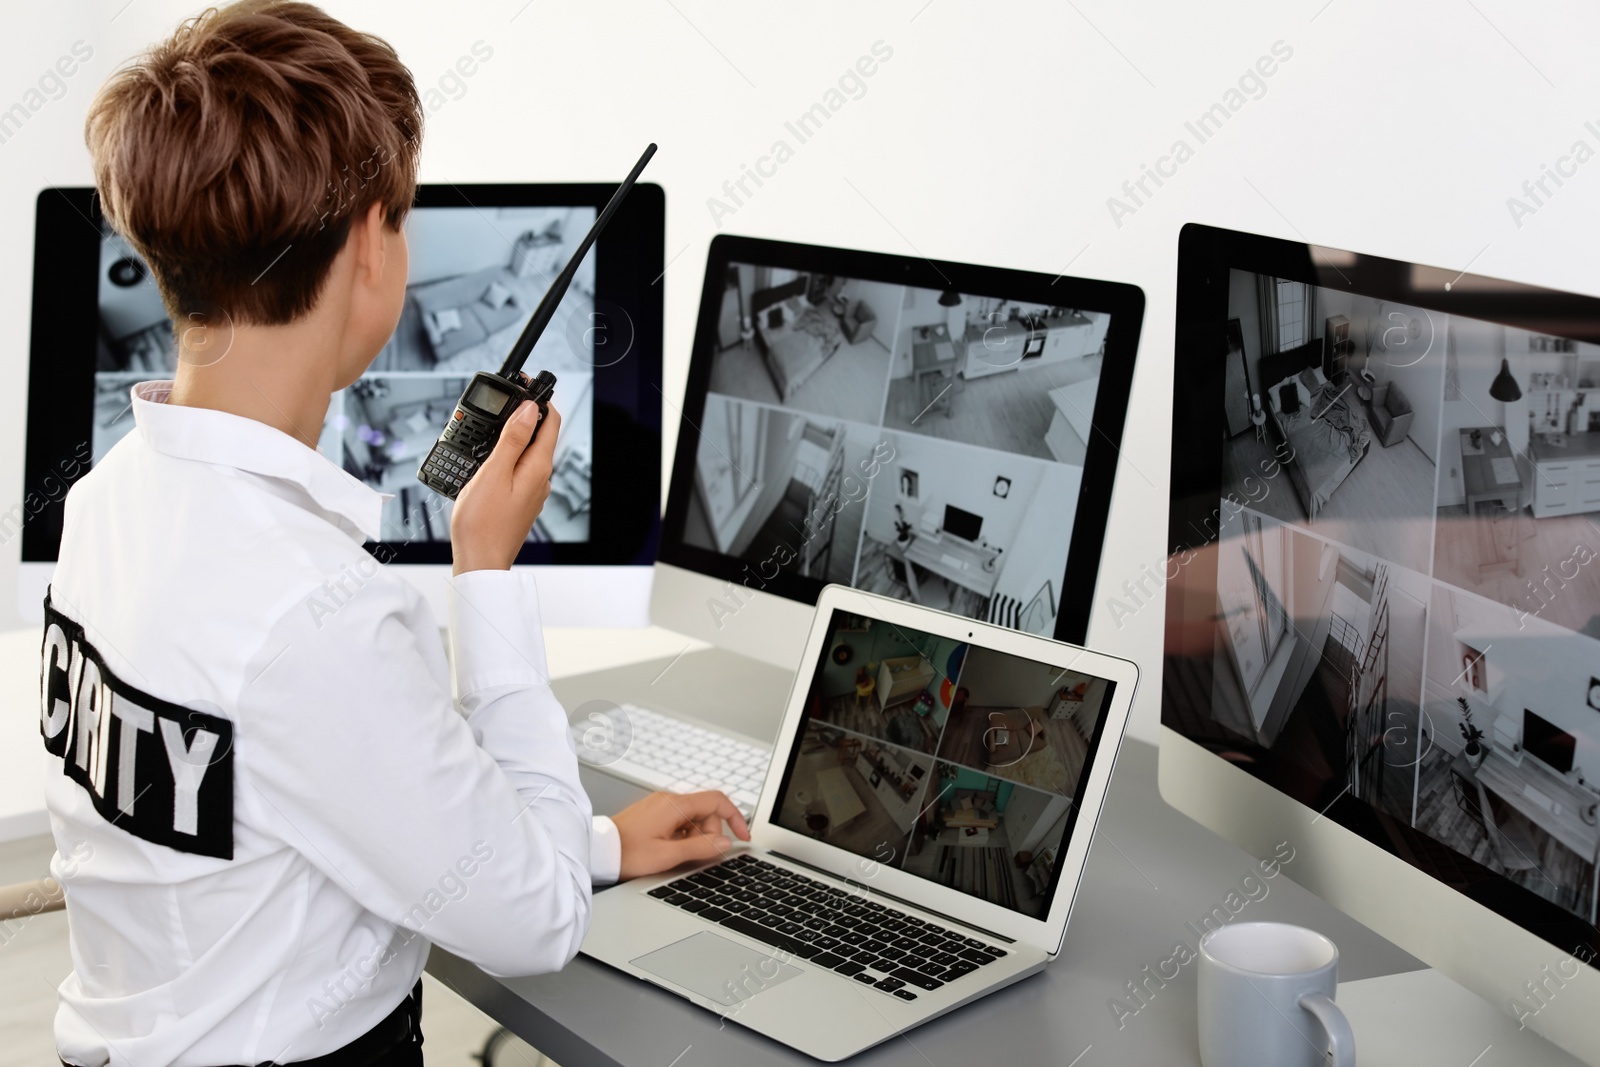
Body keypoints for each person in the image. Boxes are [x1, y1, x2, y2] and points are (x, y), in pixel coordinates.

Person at [43, 3, 747, 1064]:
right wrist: (486, 572)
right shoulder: (314, 616)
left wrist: (595, 840)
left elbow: (290, 807)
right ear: (372, 244)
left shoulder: (105, 500)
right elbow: (536, 923)